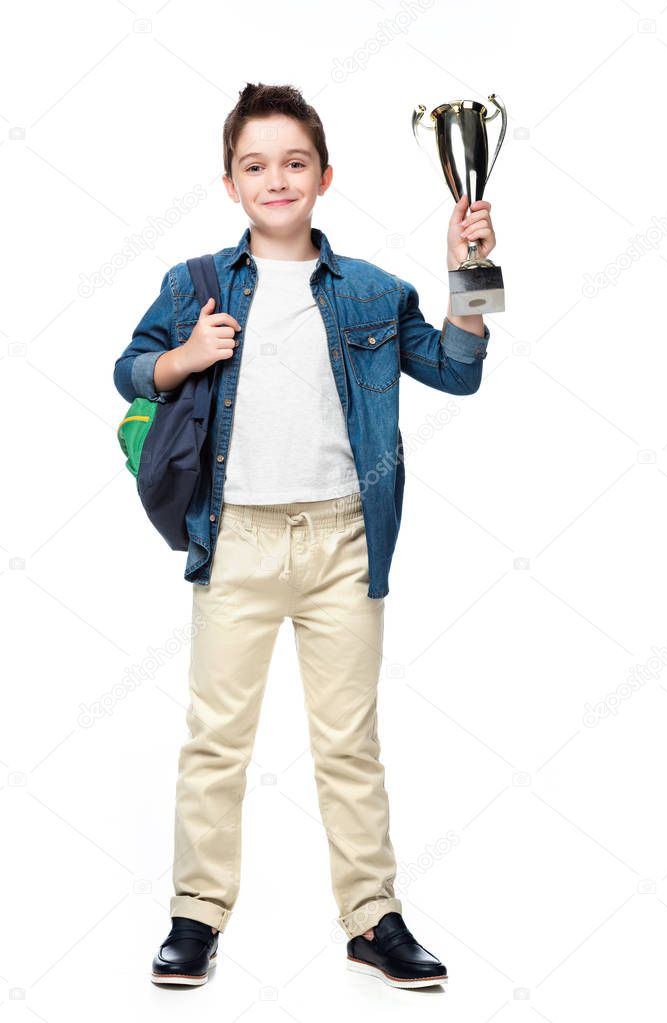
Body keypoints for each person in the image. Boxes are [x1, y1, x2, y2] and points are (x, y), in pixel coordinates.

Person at [113, 81, 496, 990]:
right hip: (236, 537)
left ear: (324, 176)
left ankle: (373, 917)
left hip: (341, 541)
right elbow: (129, 367)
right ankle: (195, 916)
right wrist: (184, 356)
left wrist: (467, 273)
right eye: (255, 165)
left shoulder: (369, 289)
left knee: (348, 742)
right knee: (216, 738)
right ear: (229, 181)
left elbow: (455, 368)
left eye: (293, 163)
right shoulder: (195, 284)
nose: (275, 179)